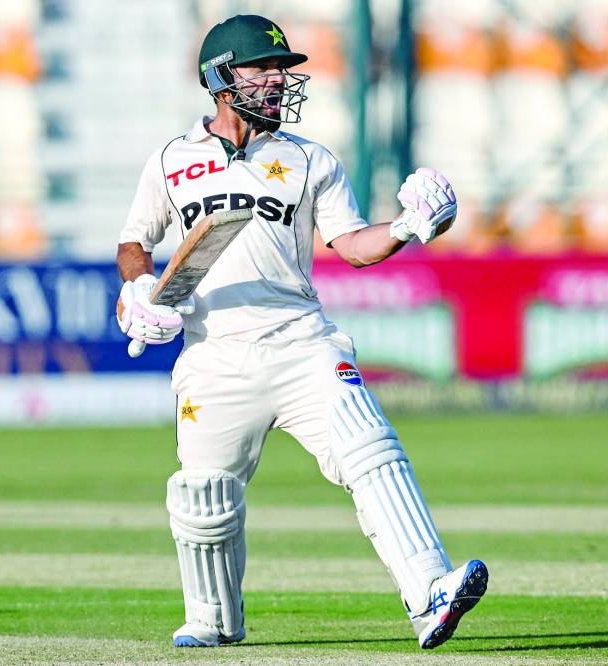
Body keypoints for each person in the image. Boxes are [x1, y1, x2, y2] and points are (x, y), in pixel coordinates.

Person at [115, 14, 487, 650]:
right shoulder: (171, 161)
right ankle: (213, 620)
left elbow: (351, 245)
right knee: (204, 499)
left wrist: (405, 227)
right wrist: (135, 287)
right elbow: (134, 241)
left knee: (370, 448)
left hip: (301, 344)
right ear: (220, 78)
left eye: (281, 69)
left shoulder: (309, 159)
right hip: (214, 354)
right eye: (263, 68)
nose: (278, 81)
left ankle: (429, 592)